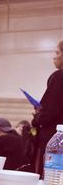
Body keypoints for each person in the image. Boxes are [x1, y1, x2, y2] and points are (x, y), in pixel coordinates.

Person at [32, 40, 63, 176]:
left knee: (51, 179)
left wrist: (37, 117)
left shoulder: (59, 77)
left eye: (57, 52)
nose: (54, 56)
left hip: (55, 139)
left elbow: (50, 111)